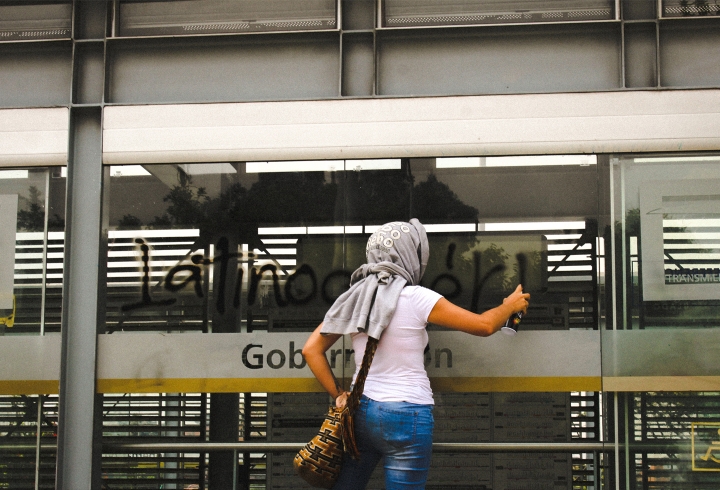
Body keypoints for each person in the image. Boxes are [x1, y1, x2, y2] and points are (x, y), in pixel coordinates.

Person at [302, 219, 530, 490]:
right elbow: (483, 326)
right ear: (411, 254)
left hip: (360, 412)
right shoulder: (417, 298)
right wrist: (508, 306)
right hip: (407, 414)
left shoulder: (355, 297)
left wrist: (339, 394)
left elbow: (311, 349)